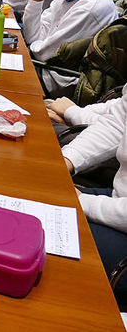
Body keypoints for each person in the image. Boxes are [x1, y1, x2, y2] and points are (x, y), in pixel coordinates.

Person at [56, 86, 127, 307]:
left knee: (42, 242)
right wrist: (65, 162)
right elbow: (117, 124)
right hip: (117, 201)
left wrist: (84, 202)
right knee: (36, 198)